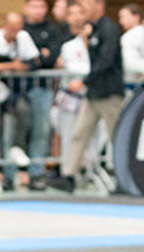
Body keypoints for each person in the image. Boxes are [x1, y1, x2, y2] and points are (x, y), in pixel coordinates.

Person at [49, 0, 124, 193]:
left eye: (87, 4)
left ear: (99, 4)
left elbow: (106, 61)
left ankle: (123, 177)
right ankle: (68, 176)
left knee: (117, 137)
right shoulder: (92, 29)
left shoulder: (109, 29)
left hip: (109, 94)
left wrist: (84, 81)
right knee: (79, 134)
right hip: (93, 94)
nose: (84, 9)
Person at [0, 13, 41, 192]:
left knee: (22, 118)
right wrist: (13, 66)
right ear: (4, 25)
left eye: (18, 29)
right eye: (12, 29)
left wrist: (11, 66)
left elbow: (33, 63)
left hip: (14, 92)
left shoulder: (23, 38)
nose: (15, 33)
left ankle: (18, 157)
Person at [53, 0, 106, 170]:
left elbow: (103, 66)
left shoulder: (98, 46)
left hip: (91, 96)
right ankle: (68, 172)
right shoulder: (69, 46)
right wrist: (93, 73)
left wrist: (89, 76)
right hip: (71, 99)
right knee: (70, 137)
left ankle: (91, 171)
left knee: (95, 137)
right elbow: (73, 67)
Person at [21, 0, 62, 191]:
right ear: (25, 7)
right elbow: (20, 57)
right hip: (17, 89)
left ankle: (36, 173)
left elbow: (50, 58)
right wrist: (38, 55)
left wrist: (38, 57)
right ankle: (9, 173)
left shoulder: (52, 31)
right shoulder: (19, 27)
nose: (38, 10)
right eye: (34, 6)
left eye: (42, 6)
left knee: (41, 131)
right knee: (14, 130)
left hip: (42, 88)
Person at [120, 4, 144, 81]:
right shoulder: (129, 35)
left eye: (124, 17)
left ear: (136, 17)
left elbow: (130, 63)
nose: (121, 21)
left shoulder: (131, 35)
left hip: (135, 81)